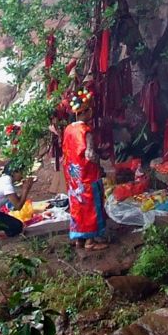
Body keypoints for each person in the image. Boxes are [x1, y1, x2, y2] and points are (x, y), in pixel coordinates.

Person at [62, 89, 108, 250]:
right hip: (87, 176)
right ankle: (90, 241)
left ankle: (79, 240)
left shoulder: (68, 129)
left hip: (73, 178)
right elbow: (89, 155)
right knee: (91, 207)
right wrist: (100, 164)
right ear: (86, 111)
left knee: (77, 206)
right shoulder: (85, 131)